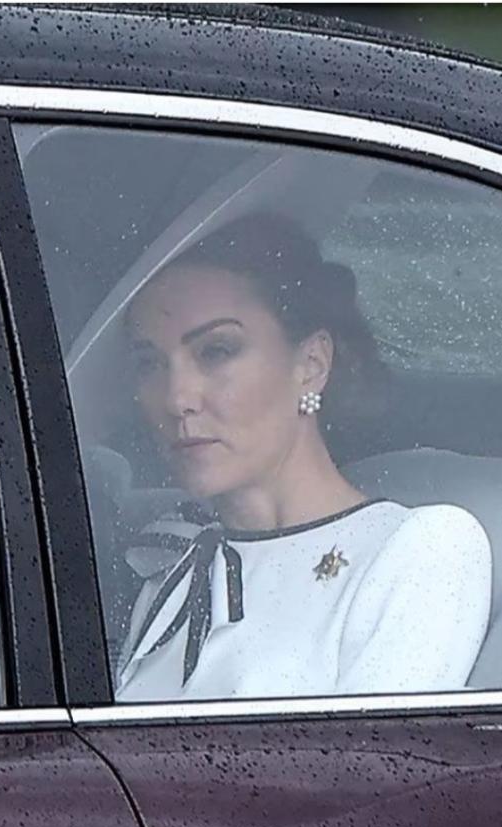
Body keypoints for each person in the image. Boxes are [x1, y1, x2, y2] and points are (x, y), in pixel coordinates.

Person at [116, 211, 492, 702]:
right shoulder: (173, 565)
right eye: (151, 363)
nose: (177, 396)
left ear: (311, 364)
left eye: (217, 351)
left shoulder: (419, 549)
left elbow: (379, 771)